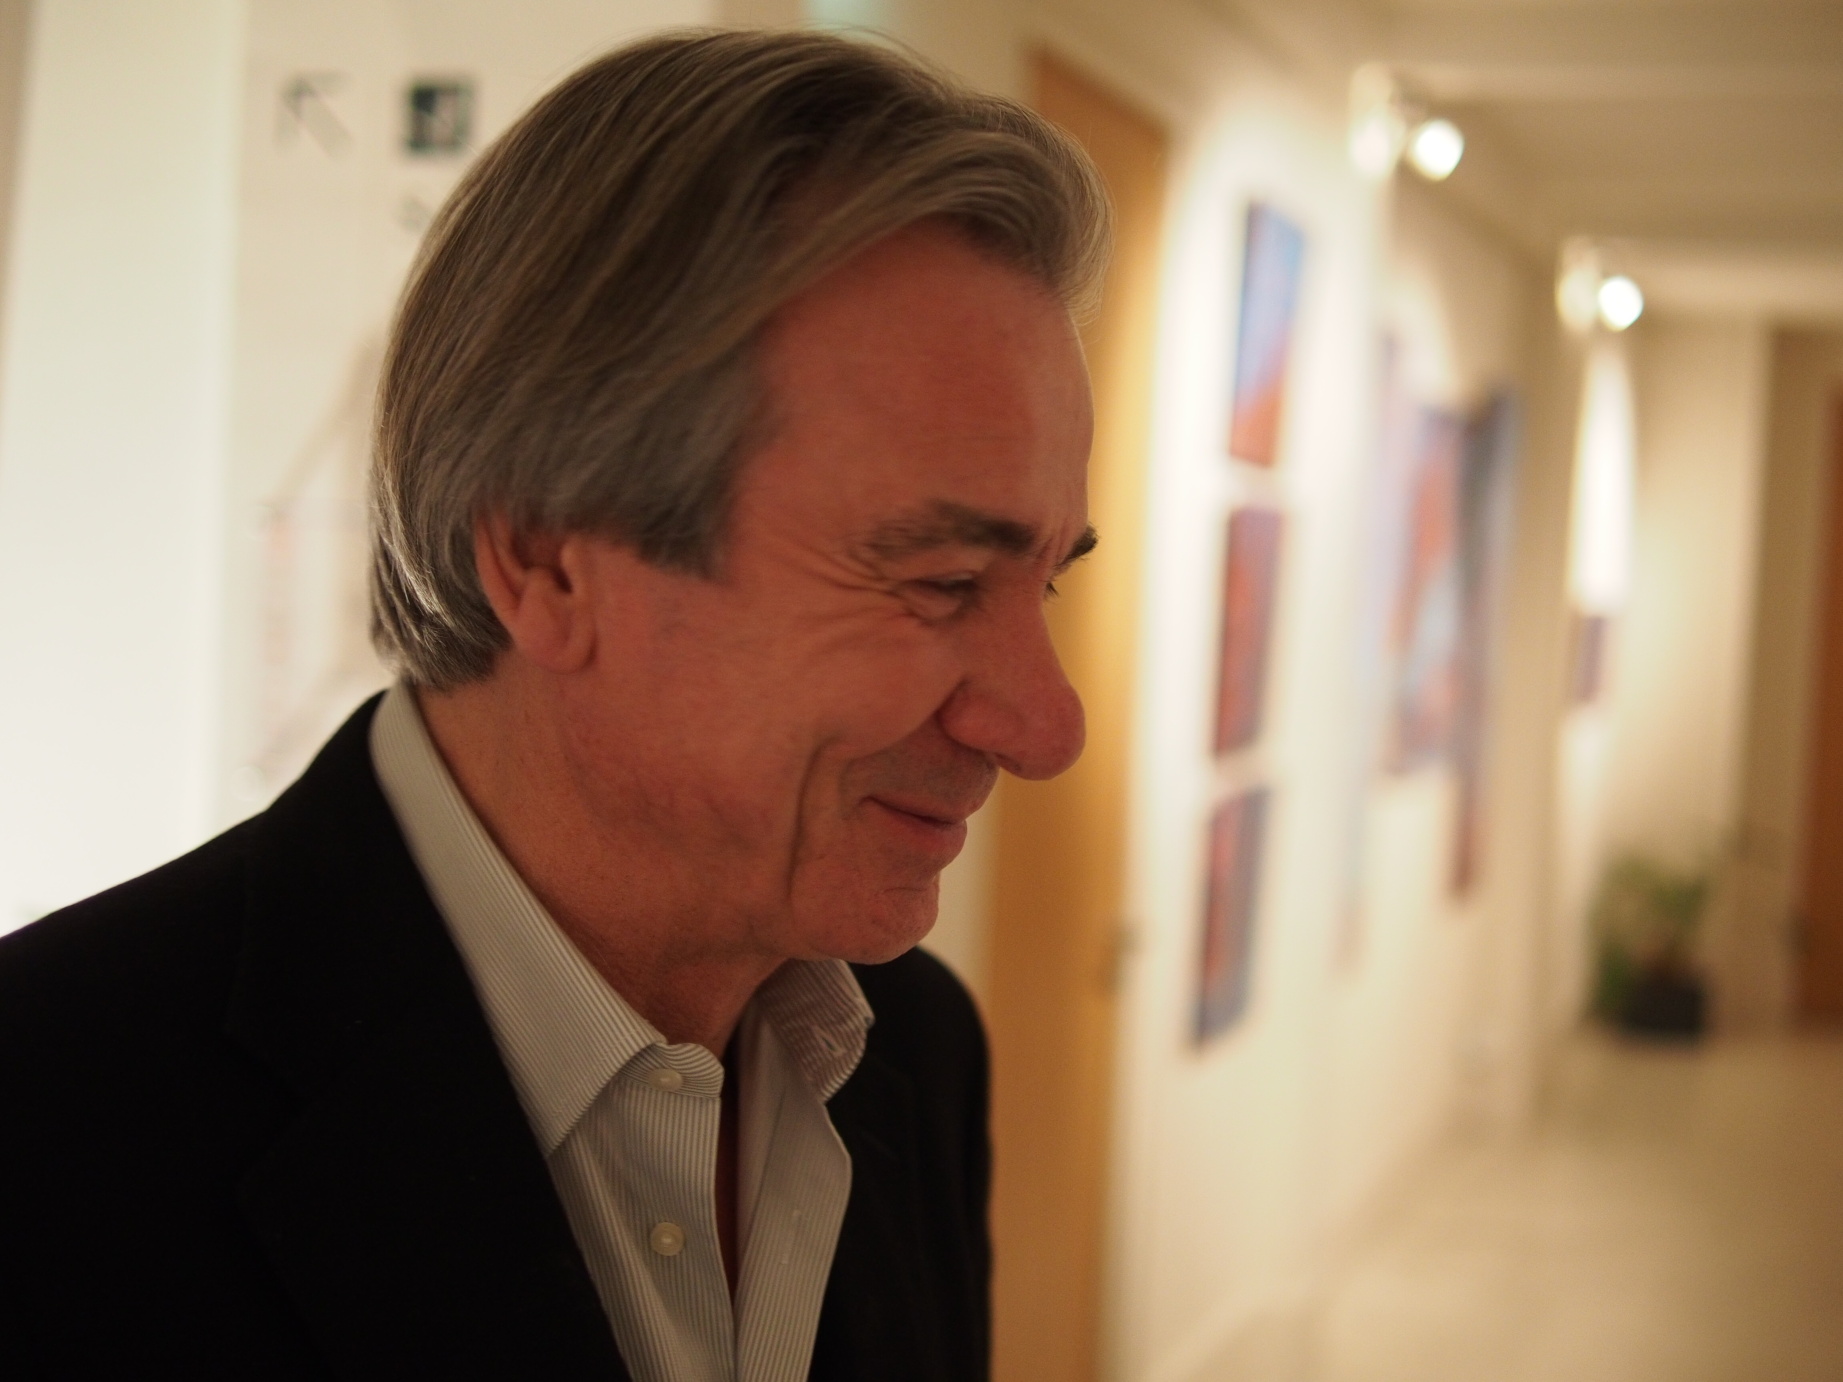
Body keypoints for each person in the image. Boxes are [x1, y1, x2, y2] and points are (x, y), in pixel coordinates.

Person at [0, 28, 1107, 1381]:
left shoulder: (915, 1053)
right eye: (941, 582)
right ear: (545, 559)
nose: (1046, 726)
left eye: (1047, 582)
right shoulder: (49, 1129)